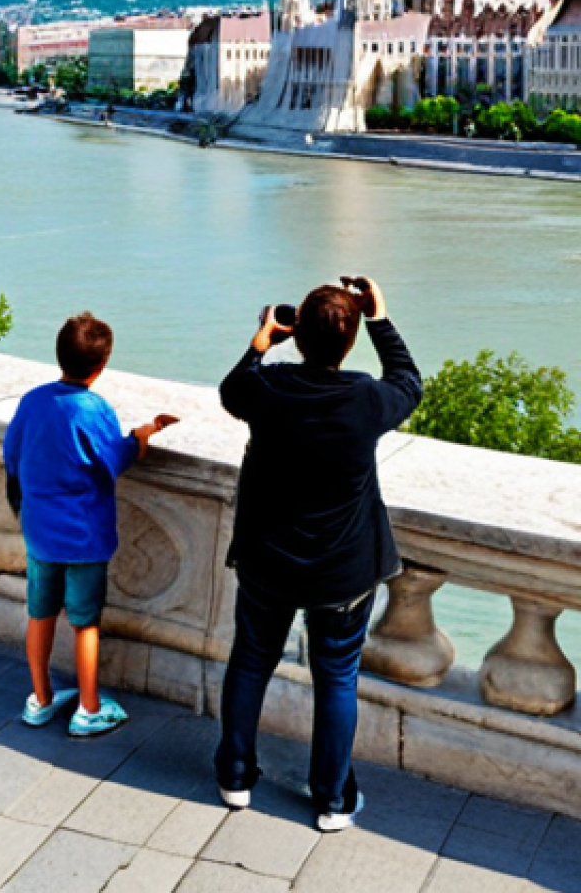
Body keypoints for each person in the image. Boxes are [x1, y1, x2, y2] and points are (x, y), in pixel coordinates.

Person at [215, 277, 422, 832]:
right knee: (336, 679)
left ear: (297, 335)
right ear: (350, 343)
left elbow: (232, 389)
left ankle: (235, 776)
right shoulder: (368, 399)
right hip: (342, 573)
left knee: (252, 660)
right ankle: (332, 799)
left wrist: (262, 342)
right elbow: (409, 381)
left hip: (267, 562)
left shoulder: (269, 389)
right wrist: (379, 318)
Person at [4, 312, 178, 738]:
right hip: (83, 537)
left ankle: (41, 700)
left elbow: (12, 456)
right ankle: (88, 707)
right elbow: (112, 460)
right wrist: (142, 434)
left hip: (40, 531)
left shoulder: (33, 401)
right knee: (85, 623)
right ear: (101, 366)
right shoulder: (94, 408)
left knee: (40, 614)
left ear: (59, 354)